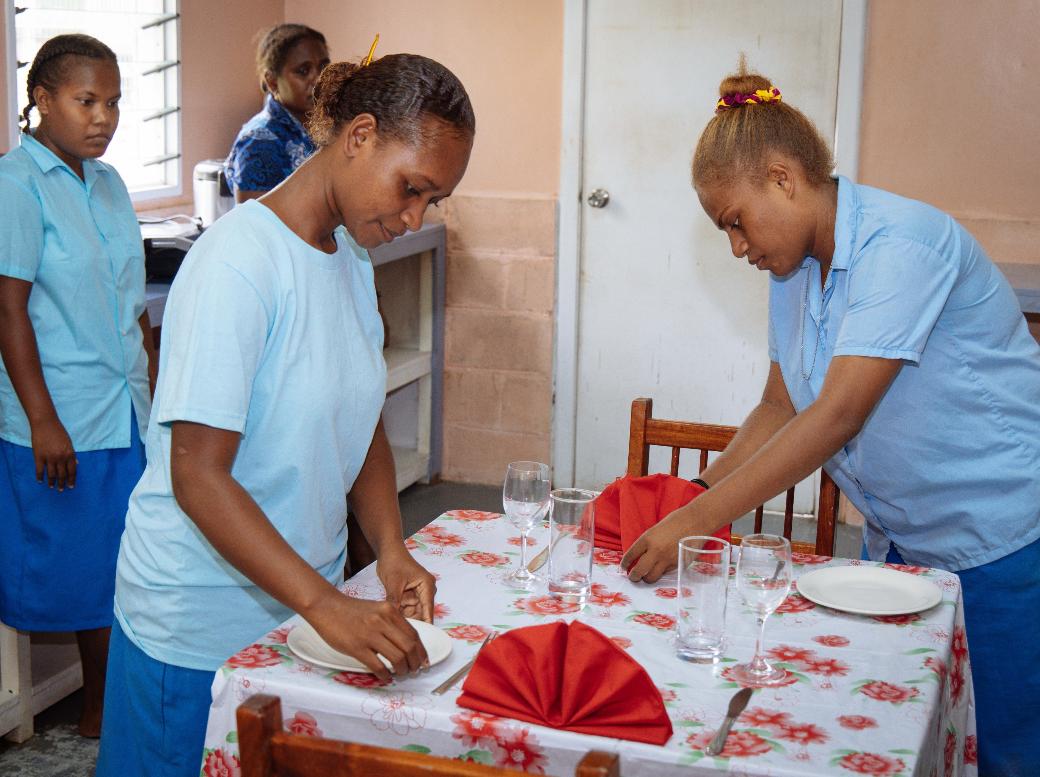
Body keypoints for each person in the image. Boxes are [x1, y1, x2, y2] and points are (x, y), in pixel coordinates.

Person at [620, 61, 1040, 776]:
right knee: (914, 733)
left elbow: (836, 414)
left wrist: (693, 523)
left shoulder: (901, 245)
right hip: (904, 538)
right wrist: (690, 499)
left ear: (784, 179)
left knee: (1003, 745)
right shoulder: (795, 273)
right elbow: (780, 408)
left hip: (996, 536)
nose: (738, 248)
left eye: (736, 223)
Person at [95, 53, 475, 777]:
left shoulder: (351, 259)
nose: (413, 216)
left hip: (296, 614)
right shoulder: (240, 263)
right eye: (412, 189)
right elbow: (198, 477)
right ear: (359, 136)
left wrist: (389, 547)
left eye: (433, 202)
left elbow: (360, 418)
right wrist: (328, 601)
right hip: (199, 628)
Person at [0, 33, 155, 738]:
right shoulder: (15, 185)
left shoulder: (111, 183)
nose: (103, 116)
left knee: (129, 557)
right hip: (60, 412)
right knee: (87, 569)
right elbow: (8, 310)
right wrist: (42, 418)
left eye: (113, 101)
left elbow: (129, 303)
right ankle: (101, 711)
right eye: (85, 100)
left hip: (125, 405)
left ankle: (111, 704)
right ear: (42, 100)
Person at [224, 23, 330, 203]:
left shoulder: (331, 128)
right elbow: (255, 225)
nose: (319, 79)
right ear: (272, 82)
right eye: (303, 71)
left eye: (323, 67)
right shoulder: (258, 142)